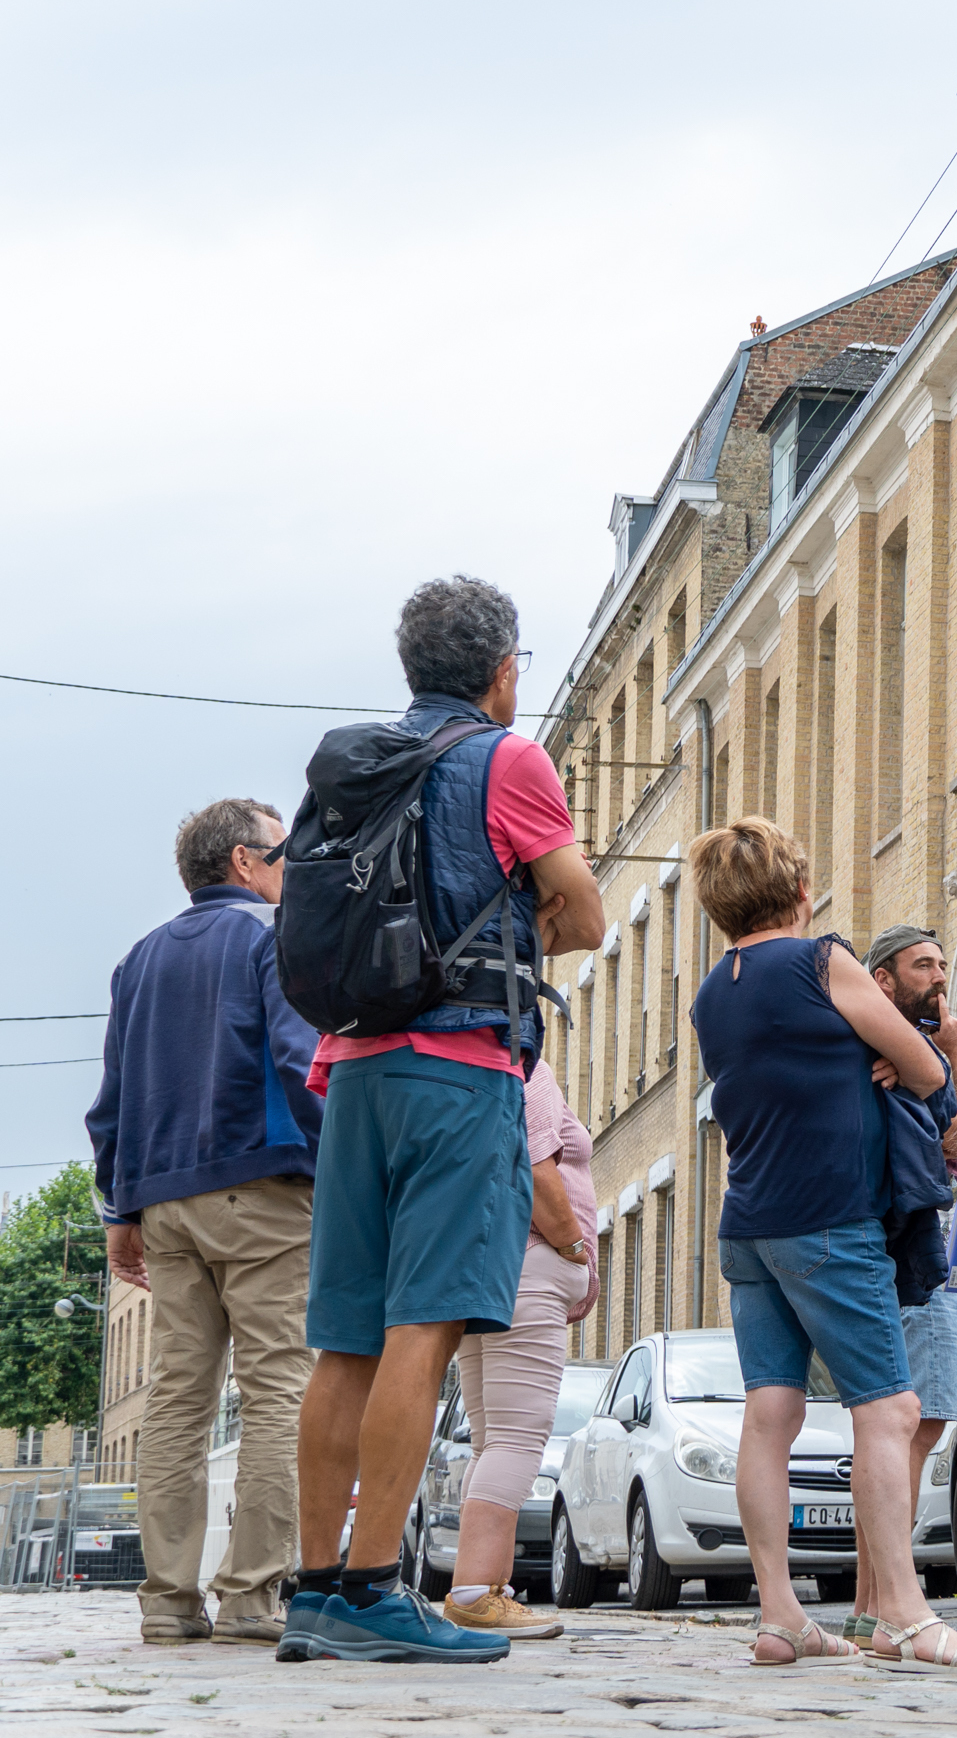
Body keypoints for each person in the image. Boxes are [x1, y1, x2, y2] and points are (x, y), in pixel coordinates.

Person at [286, 578, 605, 1665]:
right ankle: (376, 1587)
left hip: (353, 1067)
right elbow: (589, 909)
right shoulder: (507, 758)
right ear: (503, 668)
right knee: (424, 1326)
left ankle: (315, 1586)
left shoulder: (356, 764)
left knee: (344, 1339)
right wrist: (519, 925)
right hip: (460, 1068)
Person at [686, 819, 957, 1674]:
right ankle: (901, 1612)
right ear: (800, 892)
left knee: (772, 1414)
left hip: (747, 1226)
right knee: (890, 1410)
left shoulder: (711, 993)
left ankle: (781, 1614)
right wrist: (905, 1056)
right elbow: (930, 1069)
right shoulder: (820, 960)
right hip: (828, 1218)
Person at [88, 798, 321, 1647]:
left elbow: (110, 1105)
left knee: (178, 1401)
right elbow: (302, 1063)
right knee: (277, 1389)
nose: (295, 868)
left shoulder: (137, 961)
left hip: (163, 1204)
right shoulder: (271, 937)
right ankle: (253, 1598)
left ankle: (167, 1602)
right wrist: (343, 1166)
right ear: (244, 863)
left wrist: (122, 1210)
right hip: (260, 1188)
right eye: (284, 853)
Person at [839, 923, 957, 1644]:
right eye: (924, 965)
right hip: (907, 1260)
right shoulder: (889, 1050)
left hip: (921, 1259)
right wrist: (949, 1057)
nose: (939, 977)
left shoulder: (912, 1052)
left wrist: (944, 1058)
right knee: (908, 1434)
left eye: (944, 963)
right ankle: (884, 1598)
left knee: (910, 1433)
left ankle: (870, 1601)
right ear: (882, 982)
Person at [442, 1057, 598, 1638]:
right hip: (529, 1264)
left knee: (491, 1440)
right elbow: (533, 1164)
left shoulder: (473, 1063)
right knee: (516, 1439)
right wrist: (572, 1248)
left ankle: (485, 1589)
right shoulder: (525, 1064)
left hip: (489, 1266)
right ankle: (476, 1592)